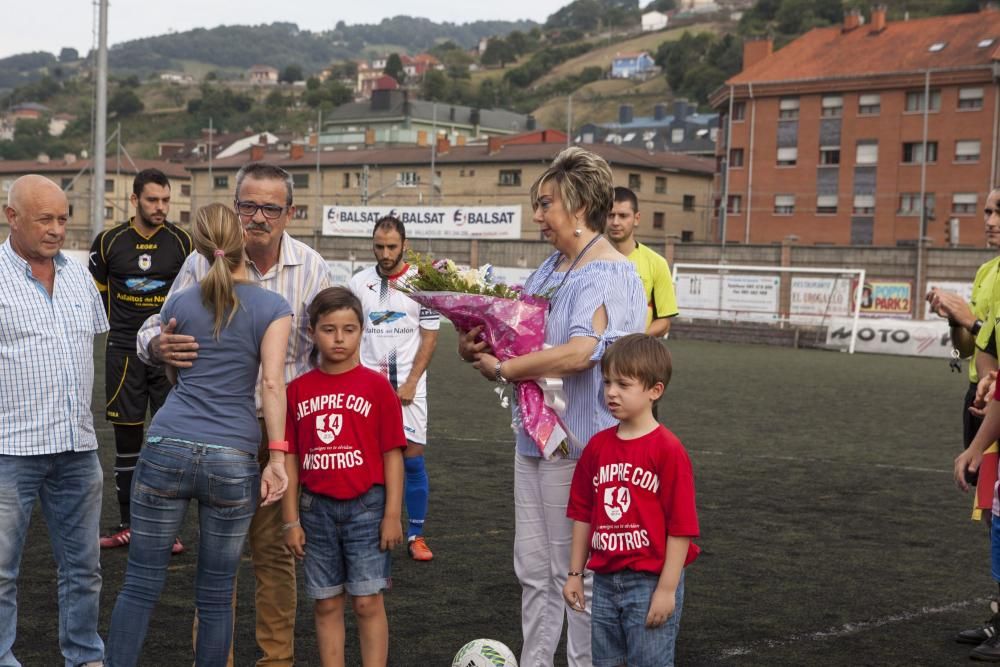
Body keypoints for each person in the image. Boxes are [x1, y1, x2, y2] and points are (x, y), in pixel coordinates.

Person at [136, 162, 334, 666]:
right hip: (218, 436)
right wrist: (159, 345)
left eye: (271, 207)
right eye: (248, 205)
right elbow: (150, 330)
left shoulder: (312, 268)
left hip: (277, 438)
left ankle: (275, 661)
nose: (258, 217)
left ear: (291, 212)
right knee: (217, 568)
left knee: (274, 559)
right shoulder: (204, 262)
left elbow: (330, 354)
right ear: (235, 207)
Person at [459, 146, 646, 666]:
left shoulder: (612, 272)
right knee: (534, 567)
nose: (537, 216)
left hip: (581, 446)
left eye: (546, 205)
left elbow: (582, 353)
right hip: (535, 439)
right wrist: (475, 341)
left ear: (580, 207)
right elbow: (514, 333)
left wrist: (506, 370)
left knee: (576, 573)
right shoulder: (548, 270)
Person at [107, 203, 292, 666]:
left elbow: (172, 371)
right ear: (240, 242)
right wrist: (276, 460)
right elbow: (271, 383)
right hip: (232, 454)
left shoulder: (180, 301)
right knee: (215, 593)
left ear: (200, 246)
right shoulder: (273, 307)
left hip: (167, 444)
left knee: (140, 584)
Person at [0, 175, 107, 667]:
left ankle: (84, 656)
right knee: (1, 571)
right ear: (12, 217)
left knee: (84, 569)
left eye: (63, 219)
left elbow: (100, 344)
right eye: (45, 219)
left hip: (77, 447)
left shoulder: (80, 275)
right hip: (10, 449)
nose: (57, 230)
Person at [282, 287, 405, 667]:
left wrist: (391, 514)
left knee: (367, 602)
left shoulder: (377, 387)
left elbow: (393, 454)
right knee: (326, 602)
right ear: (312, 332)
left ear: (361, 330)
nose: (339, 338)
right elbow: (290, 458)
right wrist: (290, 521)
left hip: (367, 508)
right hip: (315, 509)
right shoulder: (297, 391)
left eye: (349, 329)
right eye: (329, 329)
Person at [563, 334, 700, 667]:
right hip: (606, 581)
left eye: (623, 384)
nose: (611, 392)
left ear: (655, 391)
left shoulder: (667, 450)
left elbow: (681, 527)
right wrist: (575, 573)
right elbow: (583, 514)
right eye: (607, 382)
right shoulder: (596, 447)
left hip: (650, 581)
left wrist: (667, 590)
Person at [90, 168, 193, 552]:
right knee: (127, 440)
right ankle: (128, 524)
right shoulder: (108, 243)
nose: (161, 207)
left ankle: (168, 530)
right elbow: (97, 300)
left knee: (171, 441)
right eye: (153, 200)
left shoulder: (183, 243)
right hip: (123, 353)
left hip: (169, 351)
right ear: (134, 200)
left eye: (166, 200)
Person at [349, 217, 439, 561]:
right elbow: (353, 332)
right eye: (379, 246)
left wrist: (412, 382)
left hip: (409, 390)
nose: (385, 253)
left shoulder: (421, 283)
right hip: (369, 389)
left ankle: (416, 534)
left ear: (404, 245)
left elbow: (430, 336)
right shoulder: (359, 283)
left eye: (391, 246)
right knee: (368, 460)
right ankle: (371, 526)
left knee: (412, 460)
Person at [936, 189, 1000, 655]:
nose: (990, 219)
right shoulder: (986, 271)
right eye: (988, 210)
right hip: (983, 401)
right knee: (993, 516)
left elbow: (989, 336)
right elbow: (970, 349)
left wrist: (971, 320)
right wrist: (955, 320)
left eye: (999, 210)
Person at [606, 186, 679, 338]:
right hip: (594, 355)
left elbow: (664, 321)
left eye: (623, 216)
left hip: (635, 354)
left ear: (636, 218)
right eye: (610, 215)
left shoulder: (657, 263)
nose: (615, 222)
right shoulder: (590, 259)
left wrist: (630, 339)